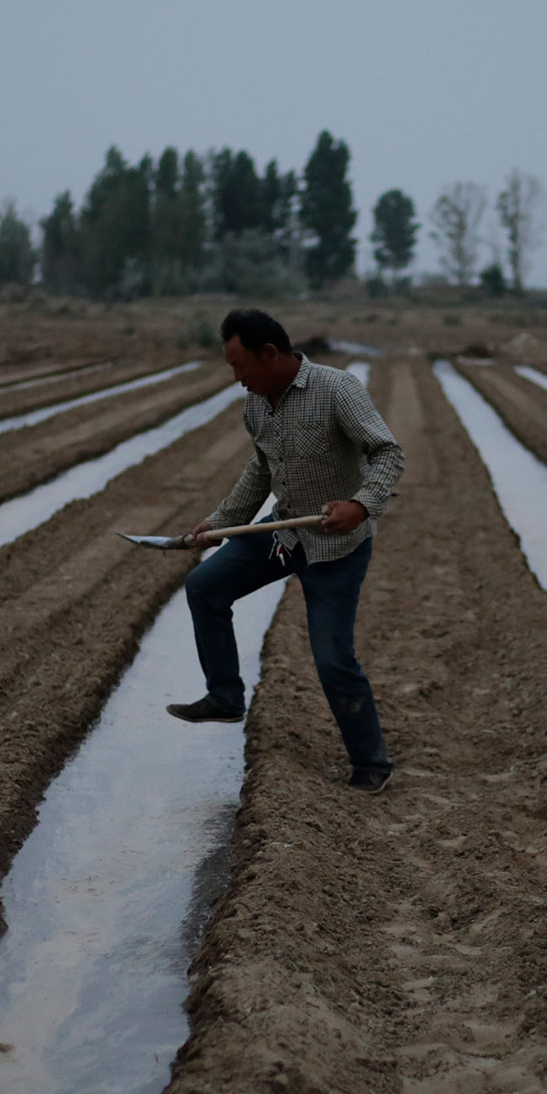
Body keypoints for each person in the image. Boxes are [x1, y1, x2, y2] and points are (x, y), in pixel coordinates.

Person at [168, 308, 405, 793]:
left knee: (333, 658)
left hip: (337, 546)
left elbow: (387, 452)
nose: (236, 378)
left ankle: (371, 764)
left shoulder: (337, 390)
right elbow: (260, 469)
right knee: (204, 586)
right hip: (284, 533)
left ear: (270, 354)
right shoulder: (256, 404)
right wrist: (222, 523)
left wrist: (361, 505)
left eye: (240, 366)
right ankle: (225, 696)